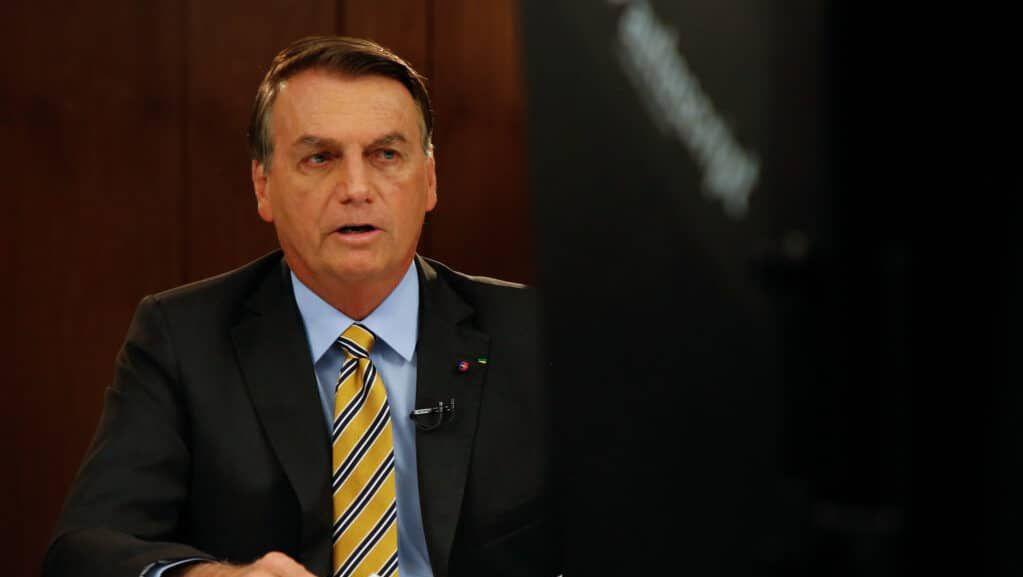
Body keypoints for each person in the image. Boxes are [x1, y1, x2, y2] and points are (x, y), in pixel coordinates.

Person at [43, 36, 559, 577]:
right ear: (263, 185)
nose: (356, 188)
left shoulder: (535, 334)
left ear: (429, 180)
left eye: (386, 155)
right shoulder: (183, 338)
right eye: (320, 158)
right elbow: (84, 549)